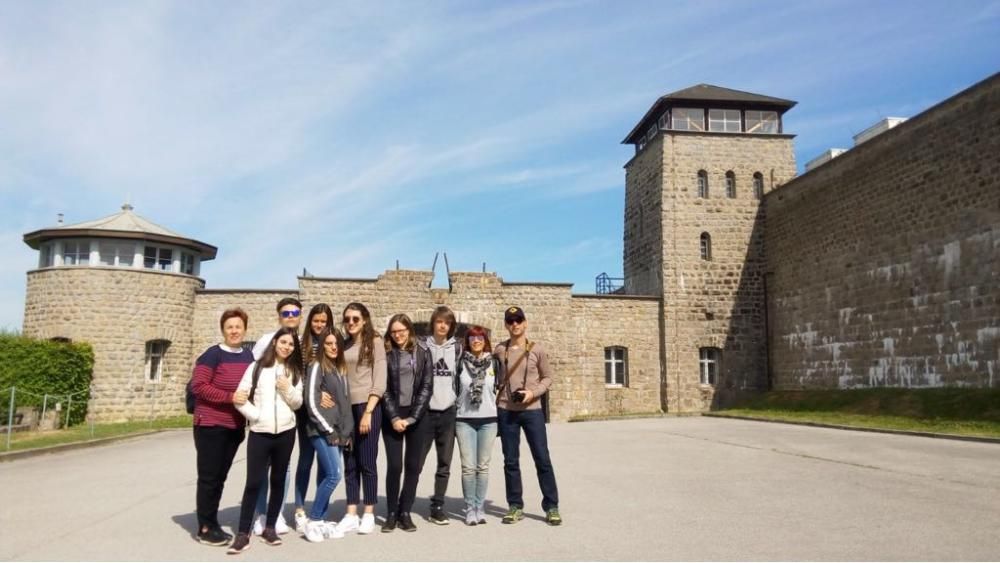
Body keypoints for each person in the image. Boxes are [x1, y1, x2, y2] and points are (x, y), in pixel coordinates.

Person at [228, 327, 305, 554]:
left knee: (279, 481)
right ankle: (243, 533)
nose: (286, 347)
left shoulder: (294, 370)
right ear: (274, 343)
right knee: (253, 482)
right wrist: (256, 416)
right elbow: (239, 398)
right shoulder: (257, 367)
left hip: (286, 432)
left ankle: (270, 527)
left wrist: (287, 388)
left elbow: (298, 402)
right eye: (283, 342)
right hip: (260, 433)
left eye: (291, 344)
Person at [190, 308, 254, 546]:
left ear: (245, 329)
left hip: (234, 426)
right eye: (230, 327)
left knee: (220, 477)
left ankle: (212, 522)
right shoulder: (212, 355)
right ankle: (205, 527)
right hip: (210, 424)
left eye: (238, 327)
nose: (234, 331)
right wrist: (229, 397)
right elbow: (198, 386)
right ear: (223, 330)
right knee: (209, 478)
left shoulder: (248, 357)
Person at [493, 306, 562, 526]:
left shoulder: (537, 350)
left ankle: (551, 506)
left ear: (525, 323)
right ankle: (515, 506)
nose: (515, 324)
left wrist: (532, 393)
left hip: (532, 412)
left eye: (518, 320)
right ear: (505, 324)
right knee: (510, 461)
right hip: (506, 411)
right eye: (510, 321)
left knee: (542, 459)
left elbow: (548, 378)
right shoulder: (499, 350)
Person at [248, 296, 305, 535]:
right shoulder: (265, 340)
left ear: (300, 316)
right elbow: (252, 376)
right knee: (262, 468)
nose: (290, 317)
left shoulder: (303, 341)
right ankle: (261, 514)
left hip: (293, 409)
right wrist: (253, 413)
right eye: (286, 313)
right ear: (279, 316)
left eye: (294, 313)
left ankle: (277, 513)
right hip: (265, 416)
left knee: (285, 466)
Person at [335, 302, 387, 535]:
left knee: (367, 460)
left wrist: (368, 411)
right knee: (350, 462)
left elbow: (380, 379)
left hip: (368, 406)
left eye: (356, 318)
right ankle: (351, 512)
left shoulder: (374, 342)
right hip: (346, 408)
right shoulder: (343, 345)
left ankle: (369, 512)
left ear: (364, 319)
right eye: (347, 319)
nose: (351, 323)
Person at [380, 314, 433, 533]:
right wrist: (393, 417)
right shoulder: (385, 354)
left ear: (409, 330)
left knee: (413, 466)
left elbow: (427, 386)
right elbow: (382, 387)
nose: (398, 335)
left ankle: (405, 511)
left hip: (417, 415)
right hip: (392, 415)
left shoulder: (423, 352)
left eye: (402, 331)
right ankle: (392, 512)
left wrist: (412, 418)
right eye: (394, 332)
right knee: (394, 466)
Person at [301, 327, 353, 543]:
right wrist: (329, 429)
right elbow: (311, 401)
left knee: (325, 475)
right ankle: (312, 521)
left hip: (338, 431)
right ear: (322, 345)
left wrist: (345, 431)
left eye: (336, 343)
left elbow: (344, 403)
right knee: (334, 475)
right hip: (323, 431)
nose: (333, 347)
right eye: (329, 343)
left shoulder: (340, 368)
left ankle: (320, 519)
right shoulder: (316, 366)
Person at [293, 303, 337, 532]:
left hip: (329, 412)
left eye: (324, 321)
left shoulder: (333, 342)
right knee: (306, 459)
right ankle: (299, 508)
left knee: (325, 462)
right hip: (307, 411)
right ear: (310, 321)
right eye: (316, 321)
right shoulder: (303, 345)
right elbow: (300, 377)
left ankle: (320, 510)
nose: (319, 325)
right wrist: (317, 396)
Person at [420, 305, 463, 525]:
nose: (442, 325)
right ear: (433, 323)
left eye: (447, 322)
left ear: (451, 326)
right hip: (426, 412)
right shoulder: (421, 347)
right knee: (415, 462)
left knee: (444, 463)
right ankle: (404, 502)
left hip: (448, 412)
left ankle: (437, 505)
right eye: (439, 321)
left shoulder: (457, 348)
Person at [454, 325, 500, 526]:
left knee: (482, 467)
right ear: (468, 341)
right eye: (472, 337)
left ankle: (480, 507)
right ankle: (469, 508)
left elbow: (499, 389)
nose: (476, 340)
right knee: (468, 468)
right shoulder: (460, 363)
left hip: (488, 420)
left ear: (485, 340)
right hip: (464, 420)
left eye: (480, 337)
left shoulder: (494, 364)